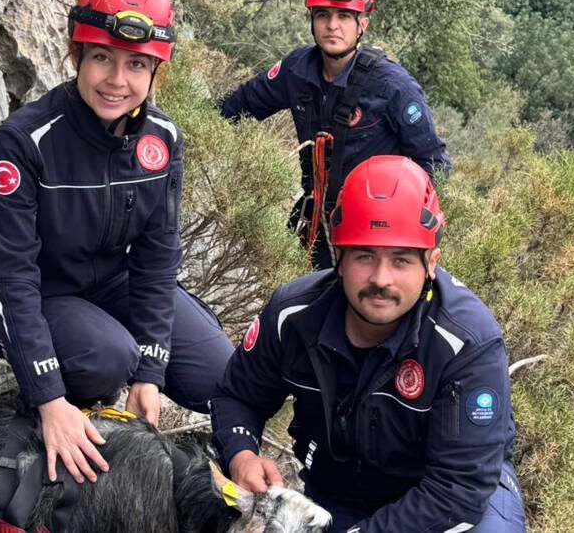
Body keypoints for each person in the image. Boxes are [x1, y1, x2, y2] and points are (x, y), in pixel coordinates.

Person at [0, 0, 233, 486]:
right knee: (107, 358)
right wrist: (50, 399)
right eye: (102, 57)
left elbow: (157, 261)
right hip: (33, 294)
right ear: (76, 54)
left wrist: (151, 373)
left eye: (136, 64)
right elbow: (9, 276)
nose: (117, 80)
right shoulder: (26, 140)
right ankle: (53, 421)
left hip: (110, 285)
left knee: (221, 376)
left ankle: (113, 373)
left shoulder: (162, 141)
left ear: (157, 71)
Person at [210, 155, 526, 532]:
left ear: (431, 263)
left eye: (402, 260)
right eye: (364, 256)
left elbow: (459, 489)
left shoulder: (466, 343)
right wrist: (241, 454)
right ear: (339, 258)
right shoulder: (293, 316)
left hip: (453, 503)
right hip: (340, 493)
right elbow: (237, 397)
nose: (381, 279)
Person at [218, 0, 450, 268]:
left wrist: (400, 235)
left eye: (344, 16)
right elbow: (239, 107)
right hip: (313, 226)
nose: (332, 25)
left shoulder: (392, 87)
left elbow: (434, 165)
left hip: (371, 234)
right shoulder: (296, 70)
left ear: (362, 24)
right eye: (323, 15)